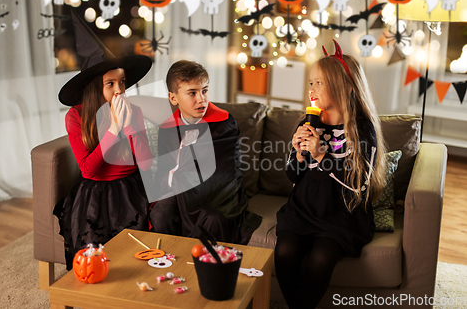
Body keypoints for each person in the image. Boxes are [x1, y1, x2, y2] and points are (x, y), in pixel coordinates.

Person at [274, 40, 386, 308]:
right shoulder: (308, 121)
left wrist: (323, 155)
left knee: (321, 259)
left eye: (319, 83)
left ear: (346, 88)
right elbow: (293, 176)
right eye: (311, 83)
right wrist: (299, 155)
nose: (311, 89)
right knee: (285, 251)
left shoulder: (362, 129)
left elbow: (358, 185)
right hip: (304, 208)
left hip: (342, 213)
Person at [54, 12, 153, 269]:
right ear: (95, 87)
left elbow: (146, 163)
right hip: (95, 192)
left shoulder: (135, 111)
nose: (120, 90)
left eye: (122, 82)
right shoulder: (75, 117)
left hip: (131, 188)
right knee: (94, 256)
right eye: (111, 83)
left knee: (137, 253)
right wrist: (113, 130)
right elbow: (87, 169)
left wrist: (129, 126)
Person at [149, 60, 261, 244]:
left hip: (219, 189)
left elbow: (227, 170)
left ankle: (205, 264)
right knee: (160, 214)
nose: (201, 99)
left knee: (213, 218)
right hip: (180, 189)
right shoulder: (168, 129)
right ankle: (169, 259)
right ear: (173, 98)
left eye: (204, 90)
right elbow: (165, 170)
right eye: (192, 93)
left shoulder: (224, 123)